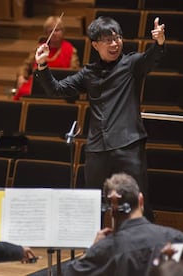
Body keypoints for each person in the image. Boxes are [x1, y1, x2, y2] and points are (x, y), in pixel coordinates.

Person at [34, 16, 167, 218]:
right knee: (92, 206)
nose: (114, 44)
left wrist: (159, 42)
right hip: (97, 149)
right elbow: (56, 89)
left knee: (138, 202)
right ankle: (96, 247)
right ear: (95, 44)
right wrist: (42, 65)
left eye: (117, 38)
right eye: (107, 40)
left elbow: (151, 58)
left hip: (128, 145)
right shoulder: (89, 73)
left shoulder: (131, 65)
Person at [66, 172, 183, 275]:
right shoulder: (176, 238)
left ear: (111, 211)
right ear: (140, 200)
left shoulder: (104, 249)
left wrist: (93, 249)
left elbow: (72, 273)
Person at [13, 15, 80, 100]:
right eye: (51, 31)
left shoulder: (70, 50)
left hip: (58, 87)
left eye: (57, 30)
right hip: (36, 86)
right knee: (23, 92)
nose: (54, 33)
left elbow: (74, 72)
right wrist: (21, 76)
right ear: (46, 34)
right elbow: (25, 66)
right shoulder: (39, 48)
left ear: (63, 32)